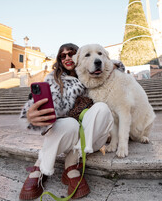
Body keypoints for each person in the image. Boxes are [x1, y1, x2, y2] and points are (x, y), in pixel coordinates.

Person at [19, 43, 114, 200]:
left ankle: (72, 161)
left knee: (102, 108)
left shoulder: (95, 75)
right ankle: (41, 166)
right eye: (63, 56)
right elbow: (39, 105)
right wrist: (33, 114)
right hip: (67, 131)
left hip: (91, 133)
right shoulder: (53, 80)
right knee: (70, 123)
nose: (67, 58)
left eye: (71, 53)